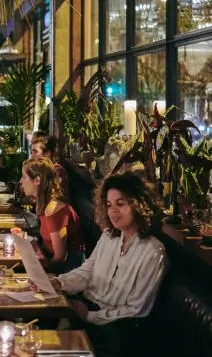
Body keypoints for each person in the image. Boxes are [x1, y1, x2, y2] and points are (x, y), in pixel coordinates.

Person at [49, 172, 166, 356]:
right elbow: (87, 271)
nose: (113, 211)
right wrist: (58, 283)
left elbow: (137, 311)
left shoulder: (153, 252)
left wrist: (89, 316)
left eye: (121, 204)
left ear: (139, 205)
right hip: (86, 312)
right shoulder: (110, 236)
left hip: (115, 331)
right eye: (109, 205)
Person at [21, 157, 84, 273]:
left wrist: (40, 272)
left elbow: (60, 257)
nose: (21, 181)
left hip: (66, 271)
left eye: (24, 177)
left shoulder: (53, 210)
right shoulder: (45, 204)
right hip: (50, 260)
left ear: (37, 180)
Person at [31, 135, 69, 201]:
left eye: (35, 152)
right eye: (32, 152)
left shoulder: (57, 171)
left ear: (47, 153)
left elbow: (58, 199)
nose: (32, 155)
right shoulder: (40, 172)